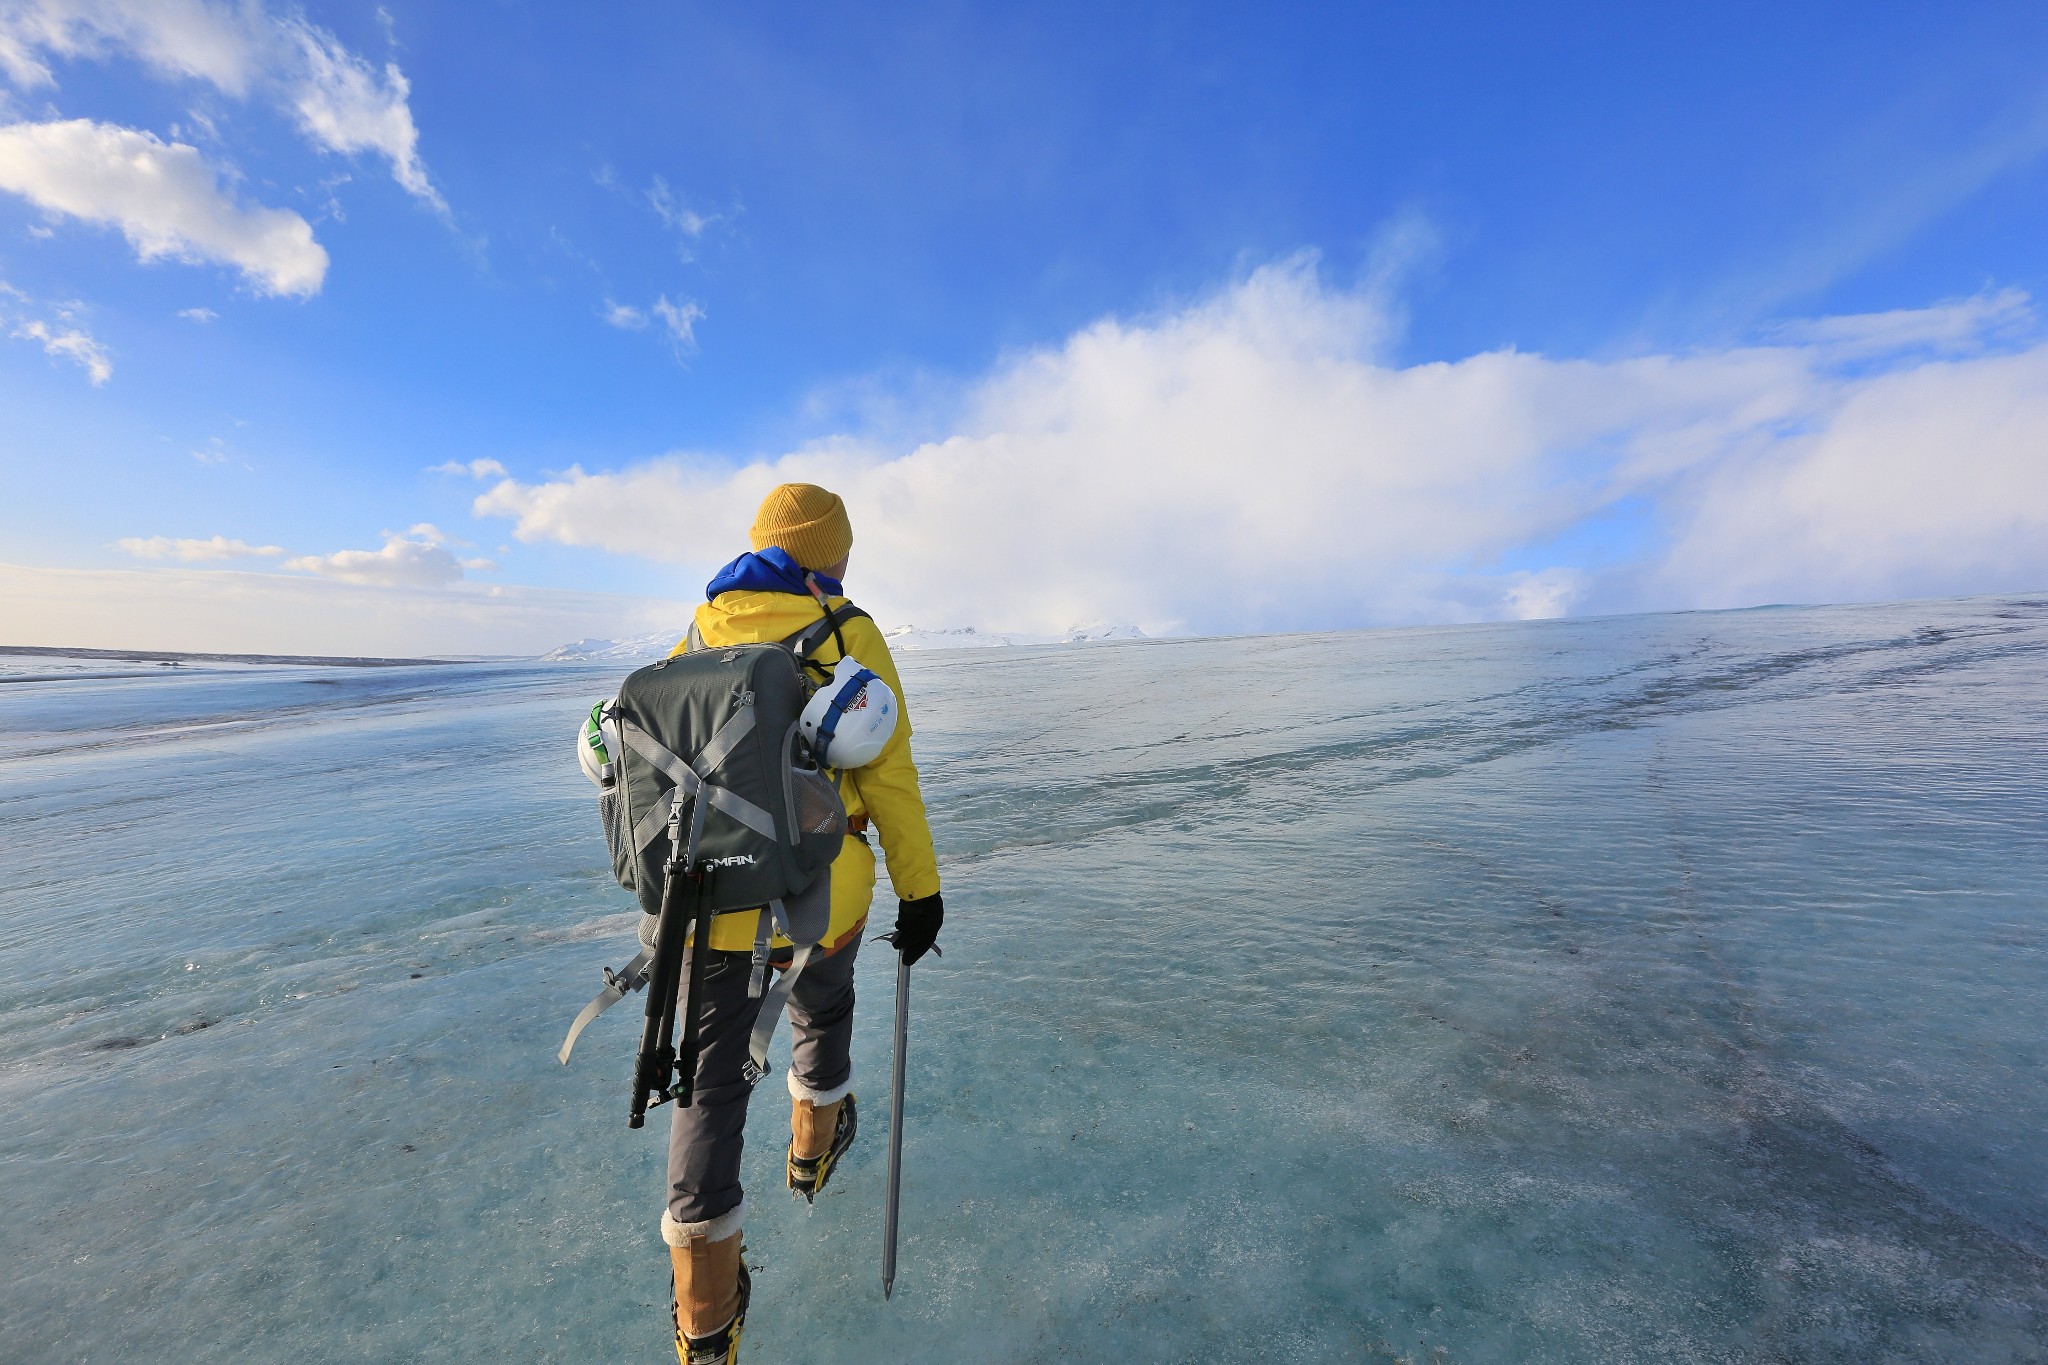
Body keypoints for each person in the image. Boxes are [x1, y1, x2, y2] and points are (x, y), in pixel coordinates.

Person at [659, 482, 944, 1365]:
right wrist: (921, 890)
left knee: (709, 1088)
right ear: (829, 554)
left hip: (712, 910)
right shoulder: (847, 631)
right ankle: (811, 1154)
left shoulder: (699, 632)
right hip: (825, 896)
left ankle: (706, 1318)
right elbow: (889, 775)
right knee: (821, 1011)